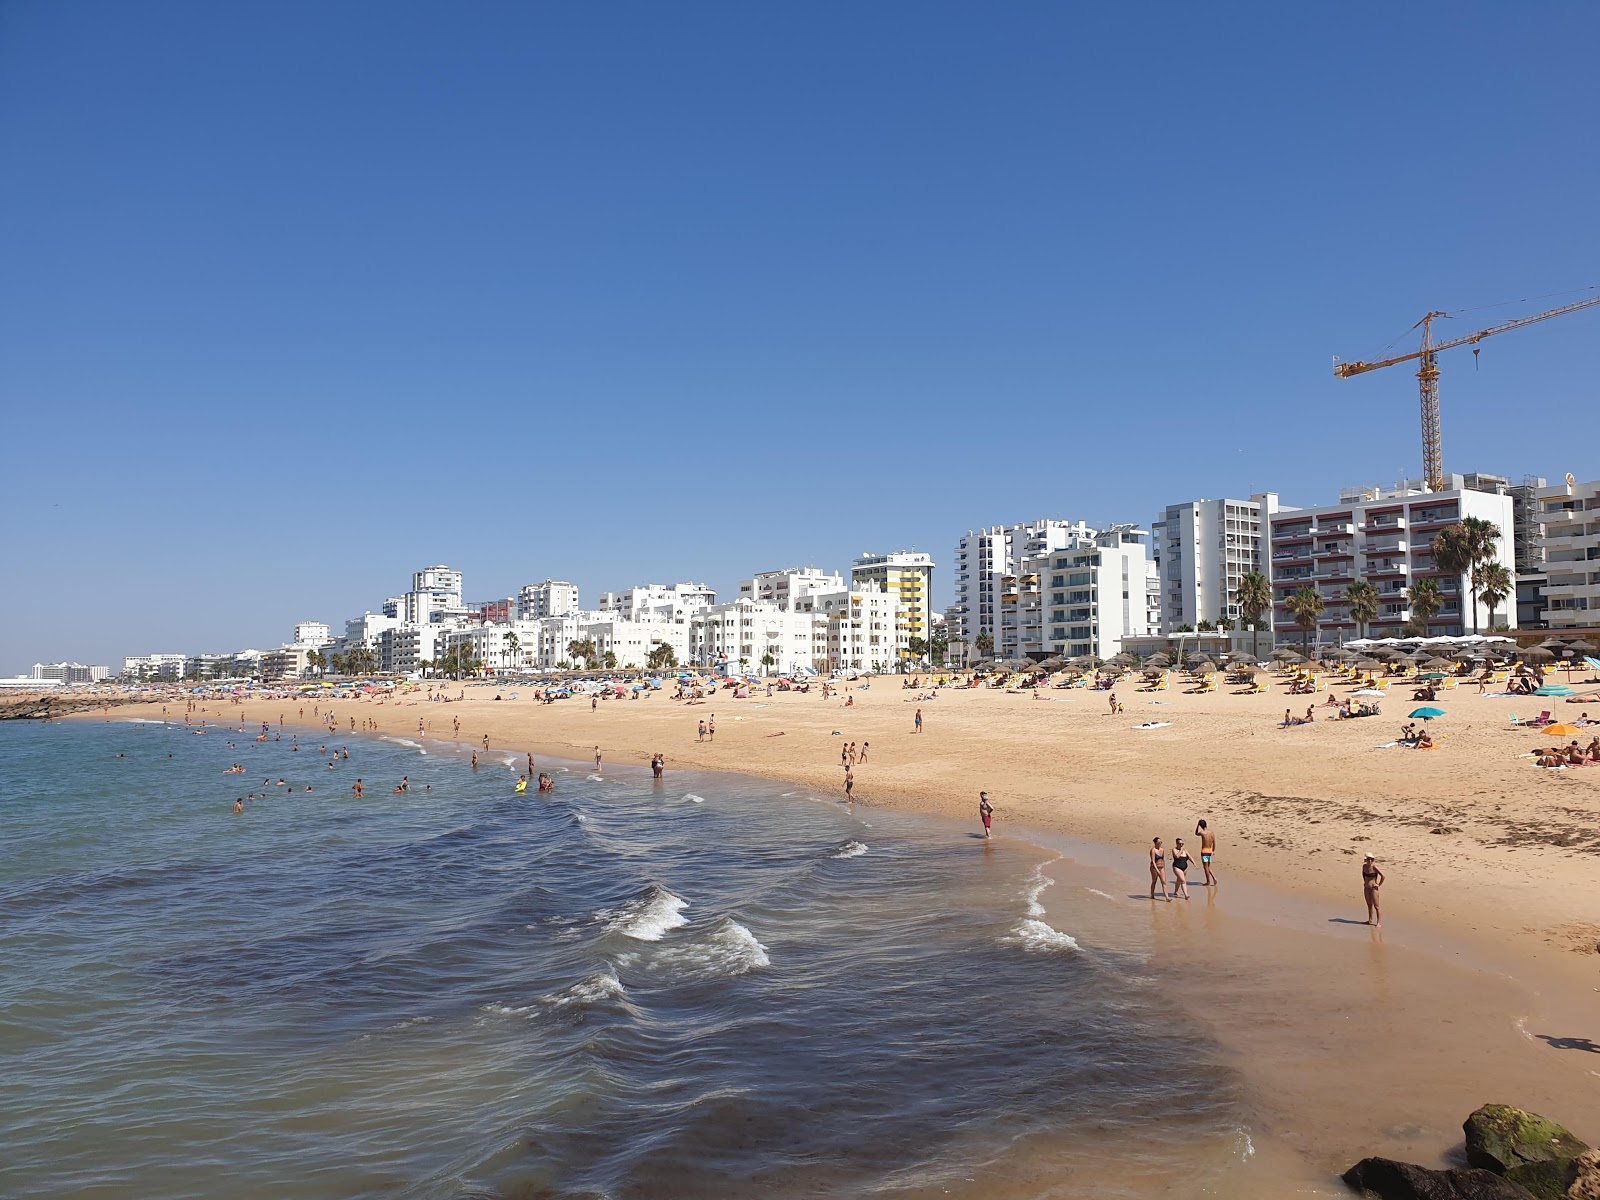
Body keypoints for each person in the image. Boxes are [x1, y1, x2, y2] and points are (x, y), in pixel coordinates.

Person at [1362, 854, 1384, 926]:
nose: (1370, 861)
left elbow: (1383, 876)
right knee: (1369, 905)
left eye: (1371, 859)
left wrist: (1378, 884)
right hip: (1366, 888)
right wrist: (1365, 882)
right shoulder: (1364, 866)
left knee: (1376, 906)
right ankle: (1370, 920)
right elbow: (1363, 875)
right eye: (1368, 859)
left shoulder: (1374, 867)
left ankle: (1379, 922)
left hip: (1374, 888)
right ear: (1366, 860)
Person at [1195, 819, 1217, 886]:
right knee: (1208, 867)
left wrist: (1197, 825)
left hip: (1204, 851)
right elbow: (1214, 842)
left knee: (1205, 867)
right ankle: (1214, 878)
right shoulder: (1211, 832)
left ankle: (1208, 881)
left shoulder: (1202, 833)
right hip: (1210, 851)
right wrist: (1213, 850)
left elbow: (1196, 833)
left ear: (1201, 826)